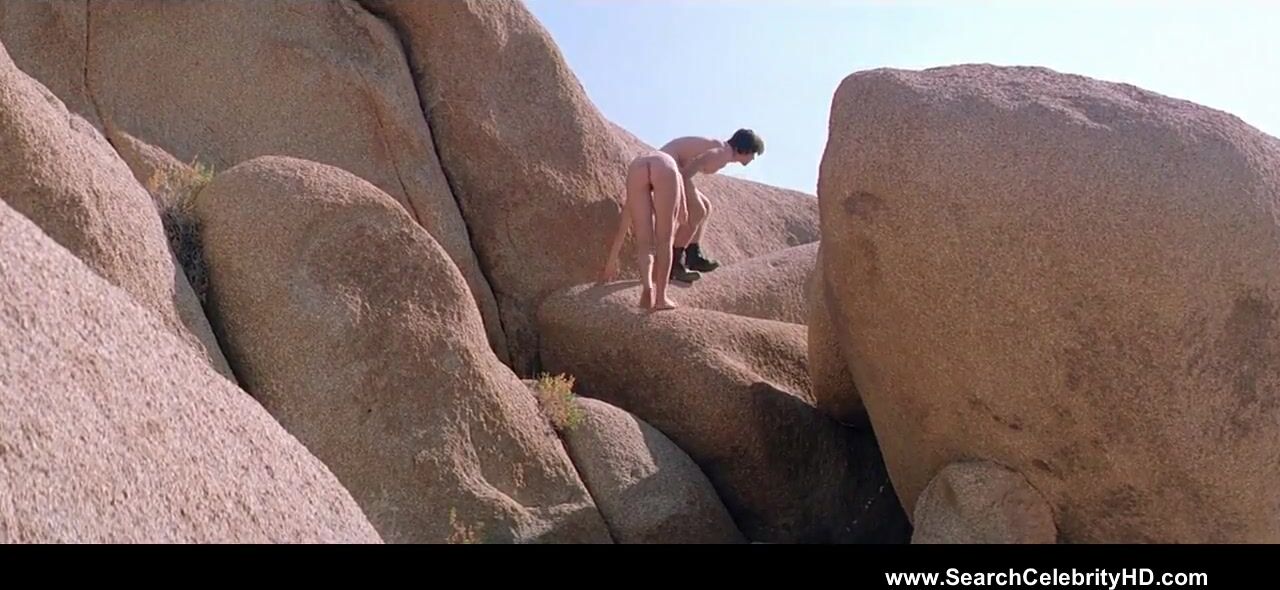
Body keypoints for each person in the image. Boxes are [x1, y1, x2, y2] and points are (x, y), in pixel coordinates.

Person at [659, 128, 765, 282]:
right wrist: (679, 184)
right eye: (753, 153)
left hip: (670, 164)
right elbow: (697, 162)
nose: (753, 158)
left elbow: (693, 160)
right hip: (666, 166)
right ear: (745, 149)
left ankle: (693, 254)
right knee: (698, 211)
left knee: (706, 207)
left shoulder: (723, 151)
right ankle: (674, 264)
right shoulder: (723, 154)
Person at [598, 151, 688, 311]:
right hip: (665, 168)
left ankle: (648, 286)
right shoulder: (675, 172)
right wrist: (677, 213)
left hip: (637, 167)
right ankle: (661, 299)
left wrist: (610, 265)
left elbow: (623, 227)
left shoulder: (640, 167)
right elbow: (683, 216)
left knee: (644, 243)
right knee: (665, 241)